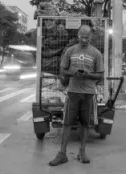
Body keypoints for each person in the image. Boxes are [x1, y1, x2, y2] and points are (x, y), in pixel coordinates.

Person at [49, 24, 104, 166]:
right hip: (73, 92)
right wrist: (73, 73)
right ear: (78, 35)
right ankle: (62, 154)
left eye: (87, 37)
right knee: (67, 123)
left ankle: (82, 152)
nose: (84, 39)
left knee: (85, 124)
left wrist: (88, 74)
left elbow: (100, 76)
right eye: (82, 36)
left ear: (91, 37)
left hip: (88, 94)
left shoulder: (96, 53)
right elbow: (63, 70)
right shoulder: (70, 51)